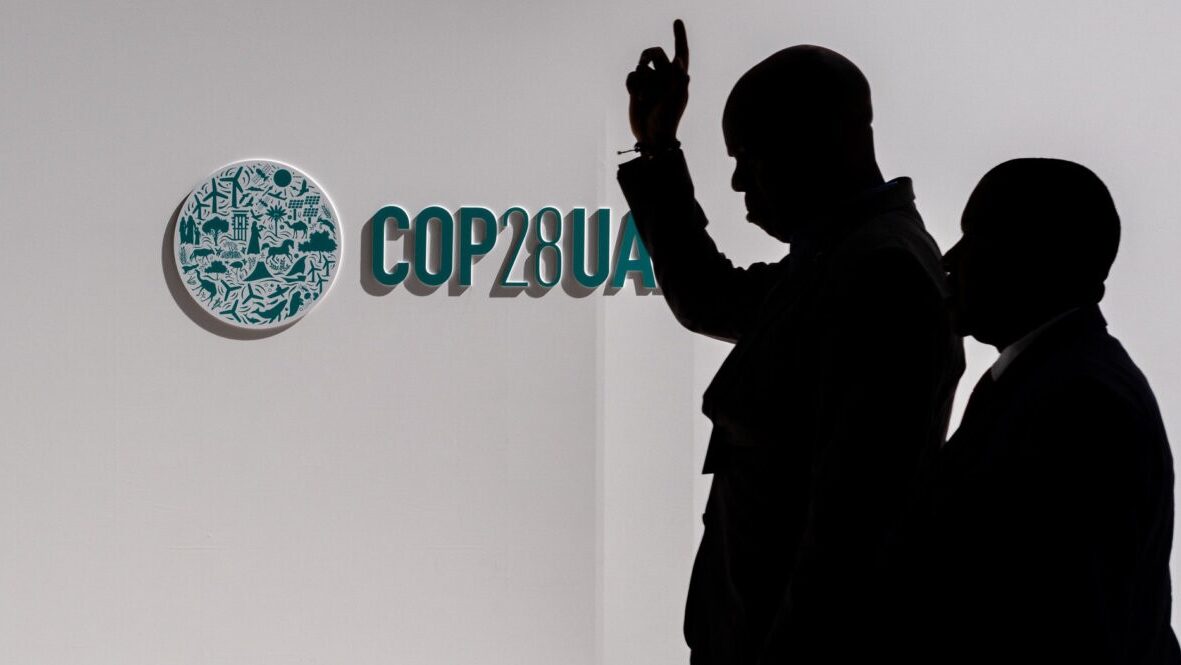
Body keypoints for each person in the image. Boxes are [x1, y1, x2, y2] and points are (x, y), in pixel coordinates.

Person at [616, 20, 964, 664]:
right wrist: (657, 151)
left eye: (748, 156)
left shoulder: (879, 272)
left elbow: (850, 528)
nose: (738, 184)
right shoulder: (842, 257)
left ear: (820, 140)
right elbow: (709, 297)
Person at [920, 158, 1180, 664]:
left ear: (1035, 256)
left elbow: (1066, 623)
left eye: (976, 237)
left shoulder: (1080, 403)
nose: (950, 259)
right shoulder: (1054, 380)